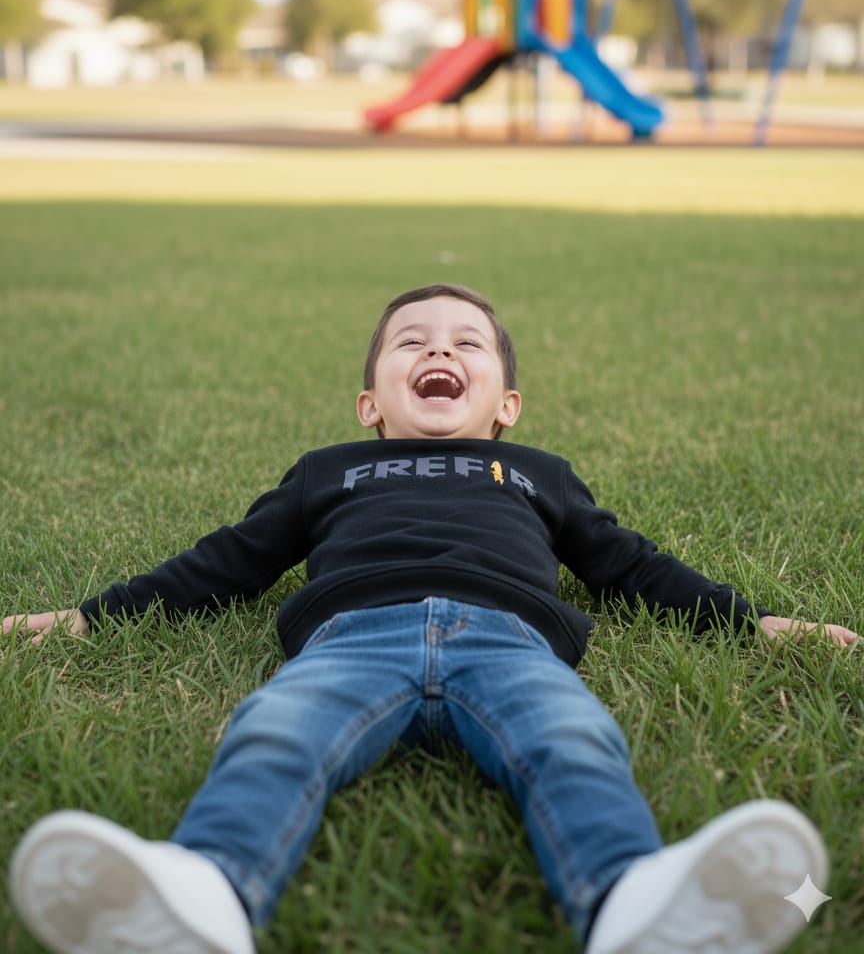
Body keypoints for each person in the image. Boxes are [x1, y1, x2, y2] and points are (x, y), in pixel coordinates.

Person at [4, 283, 857, 954]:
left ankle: (627, 897)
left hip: (509, 639)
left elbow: (628, 565)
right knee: (275, 736)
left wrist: (755, 623)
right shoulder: (329, 470)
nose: (439, 349)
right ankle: (208, 889)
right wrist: (82, 620)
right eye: (411, 342)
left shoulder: (537, 473)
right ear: (370, 404)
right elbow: (226, 561)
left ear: (506, 406)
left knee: (571, 742)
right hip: (353, 637)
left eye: (465, 343)